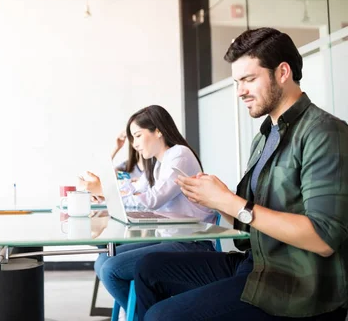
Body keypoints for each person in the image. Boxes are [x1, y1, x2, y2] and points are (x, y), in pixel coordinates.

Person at [134, 28, 348, 320]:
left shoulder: (324, 132)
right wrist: (216, 199)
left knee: (162, 315)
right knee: (147, 268)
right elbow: (248, 225)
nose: (240, 91)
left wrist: (232, 203)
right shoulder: (264, 136)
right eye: (237, 82)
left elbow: (323, 239)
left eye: (249, 79)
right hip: (256, 263)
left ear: (283, 72)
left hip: (296, 285)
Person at [79, 105, 216, 313]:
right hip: (170, 236)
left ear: (158, 130)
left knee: (111, 269)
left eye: (138, 136)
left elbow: (152, 200)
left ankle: (146, 314)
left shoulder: (179, 155)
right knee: (103, 261)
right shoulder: (158, 163)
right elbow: (134, 191)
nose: (134, 145)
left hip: (192, 241)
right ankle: (145, 313)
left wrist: (106, 192)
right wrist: (106, 190)